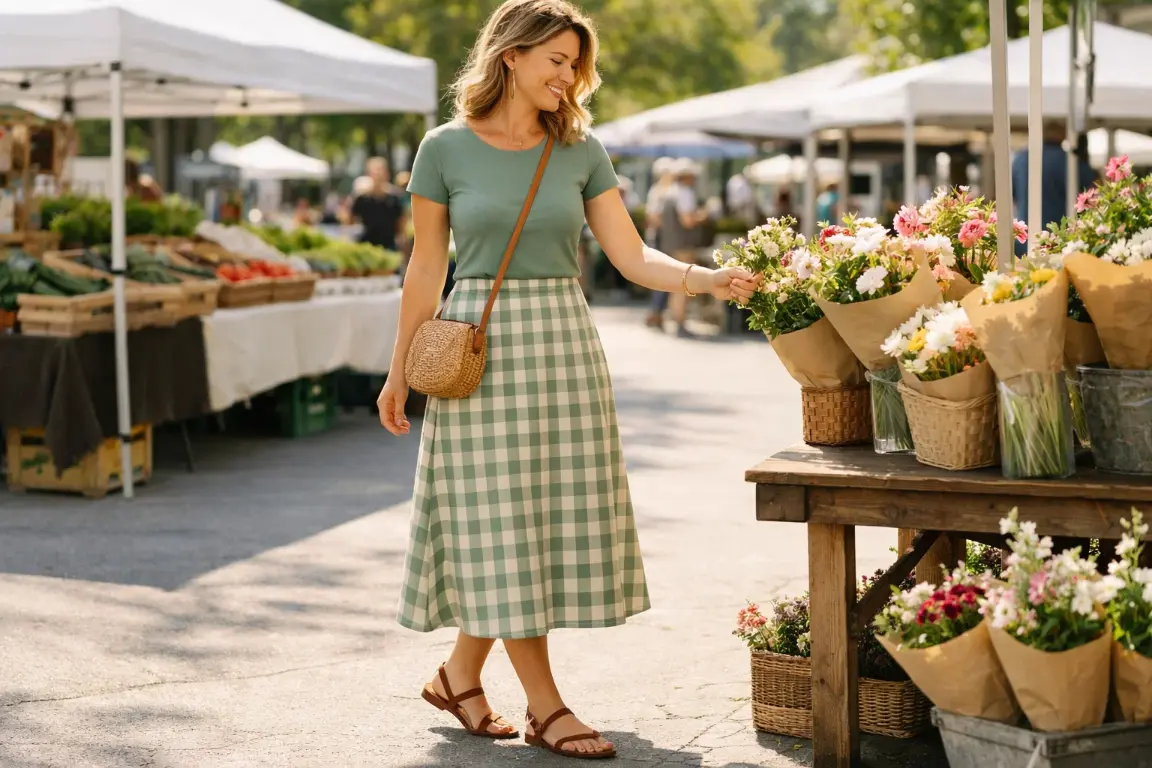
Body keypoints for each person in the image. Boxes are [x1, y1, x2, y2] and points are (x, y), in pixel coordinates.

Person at [376, 0, 760, 760]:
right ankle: (547, 706)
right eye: (556, 60)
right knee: (500, 520)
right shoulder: (444, 149)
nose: (569, 75)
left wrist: (705, 279)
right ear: (511, 56)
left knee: (533, 523)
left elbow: (632, 256)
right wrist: (399, 373)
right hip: (478, 353)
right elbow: (425, 268)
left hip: (562, 347)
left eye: (576, 64)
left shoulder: (581, 150)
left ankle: (458, 677)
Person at [1011, 120, 1098, 240]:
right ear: (1063, 136)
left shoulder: (1021, 159)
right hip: (1060, 235)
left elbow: (1012, 195)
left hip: (1026, 234)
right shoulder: (1072, 161)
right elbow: (1092, 192)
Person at [654, 158, 709, 338]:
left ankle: (676, 320)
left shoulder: (668, 191)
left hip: (670, 244)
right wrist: (703, 216)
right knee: (683, 284)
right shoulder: (685, 193)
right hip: (683, 245)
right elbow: (687, 220)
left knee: (675, 284)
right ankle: (680, 322)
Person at [352, 156, 407, 252]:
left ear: (387, 174)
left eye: (381, 171)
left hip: (389, 246)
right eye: (375, 172)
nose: (378, 175)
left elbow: (401, 225)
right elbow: (350, 221)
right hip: (366, 246)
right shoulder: (362, 199)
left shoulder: (395, 199)